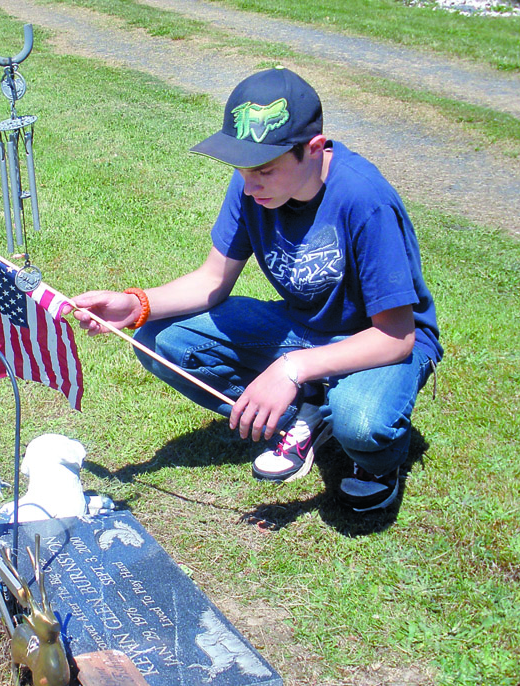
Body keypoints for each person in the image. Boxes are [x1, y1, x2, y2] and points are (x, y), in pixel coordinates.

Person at [71, 66, 441, 512]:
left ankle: (376, 462)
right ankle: (304, 416)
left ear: (314, 149)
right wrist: (136, 303)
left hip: (379, 343)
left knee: (362, 424)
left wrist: (291, 368)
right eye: (242, 168)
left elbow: (397, 337)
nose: (250, 184)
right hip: (306, 327)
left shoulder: (365, 199)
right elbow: (212, 280)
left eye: (264, 169)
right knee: (157, 339)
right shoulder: (252, 183)